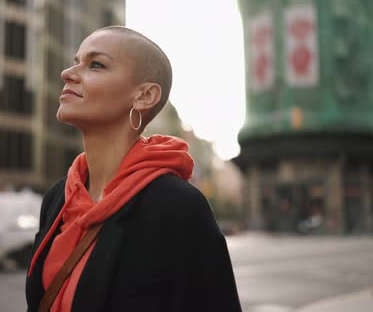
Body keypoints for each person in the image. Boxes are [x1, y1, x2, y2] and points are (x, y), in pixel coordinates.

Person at [25, 26, 242, 312]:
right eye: (76, 61)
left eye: (96, 64)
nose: (68, 73)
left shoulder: (177, 206)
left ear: (144, 96)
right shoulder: (57, 199)